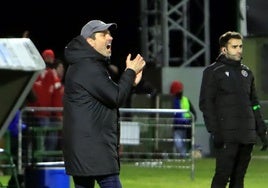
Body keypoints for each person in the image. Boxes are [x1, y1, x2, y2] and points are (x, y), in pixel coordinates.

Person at [62, 20, 146, 188]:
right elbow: (115, 97)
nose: (110, 38)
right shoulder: (88, 67)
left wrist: (131, 83)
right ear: (90, 42)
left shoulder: (85, 65)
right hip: (94, 150)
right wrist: (129, 72)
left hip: (86, 148)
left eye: (109, 34)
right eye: (103, 35)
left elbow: (108, 95)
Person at [199, 31, 268, 188]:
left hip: (246, 135)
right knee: (222, 176)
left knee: (239, 179)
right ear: (224, 49)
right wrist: (214, 131)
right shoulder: (213, 72)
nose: (239, 50)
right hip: (226, 135)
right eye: (234, 47)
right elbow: (206, 103)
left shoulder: (247, 73)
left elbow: (254, 103)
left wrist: (261, 129)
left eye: (241, 46)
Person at [170, 80, 197, 158]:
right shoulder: (184, 100)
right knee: (182, 141)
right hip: (184, 124)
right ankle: (184, 155)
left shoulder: (175, 100)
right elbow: (194, 113)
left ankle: (184, 155)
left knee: (181, 141)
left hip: (183, 125)